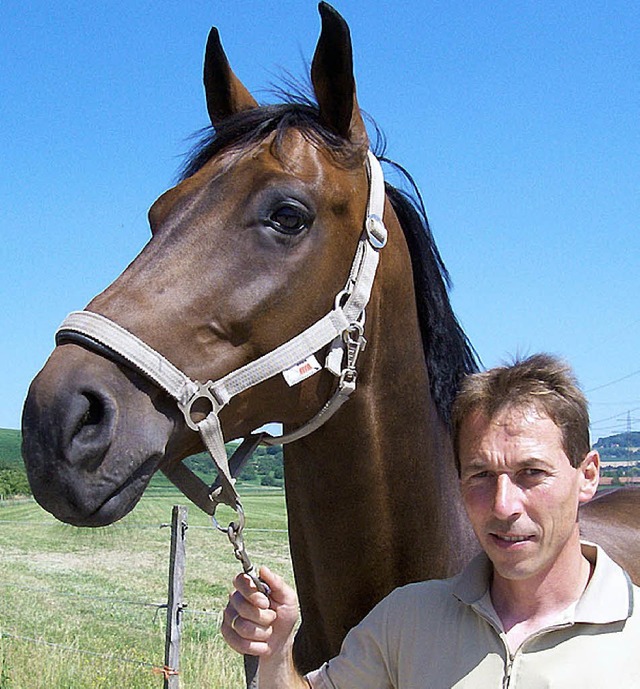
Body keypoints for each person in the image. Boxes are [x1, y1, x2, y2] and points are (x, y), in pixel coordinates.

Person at [221, 353, 640, 687]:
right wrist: (276, 653)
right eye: (481, 475)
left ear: (587, 477)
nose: (503, 505)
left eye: (532, 473)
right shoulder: (407, 619)